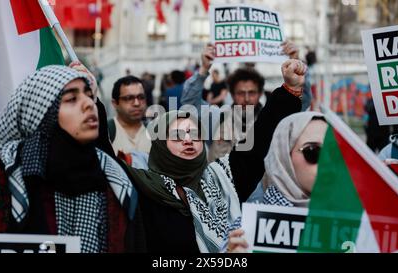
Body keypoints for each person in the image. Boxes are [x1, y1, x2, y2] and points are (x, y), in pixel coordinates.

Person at [119, 59, 307, 253]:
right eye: (177, 136)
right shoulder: (140, 188)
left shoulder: (223, 177)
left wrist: (290, 89)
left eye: (195, 134)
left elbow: (260, 139)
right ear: (160, 147)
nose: (188, 141)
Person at [0, 65, 137, 253]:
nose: (88, 104)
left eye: (89, 95)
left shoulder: (115, 180)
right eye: (71, 99)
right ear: (42, 116)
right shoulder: (0, 186)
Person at [181, 41, 308, 163]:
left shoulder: (274, 120)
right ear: (232, 94)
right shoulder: (217, 117)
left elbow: (301, 103)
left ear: (259, 94)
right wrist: (203, 68)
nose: (247, 98)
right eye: (241, 93)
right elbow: (189, 104)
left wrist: (296, 67)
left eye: (252, 92)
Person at [226, 111, 328, 253]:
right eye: (313, 151)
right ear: (284, 157)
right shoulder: (247, 227)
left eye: (333, 151)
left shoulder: (353, 221)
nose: (326, 162)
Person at [109, 76, 151, 155]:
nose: (137, 103)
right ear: (115, 103)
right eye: (129, 98)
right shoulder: (106, 132)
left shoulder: (155, 133)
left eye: (141, 97)